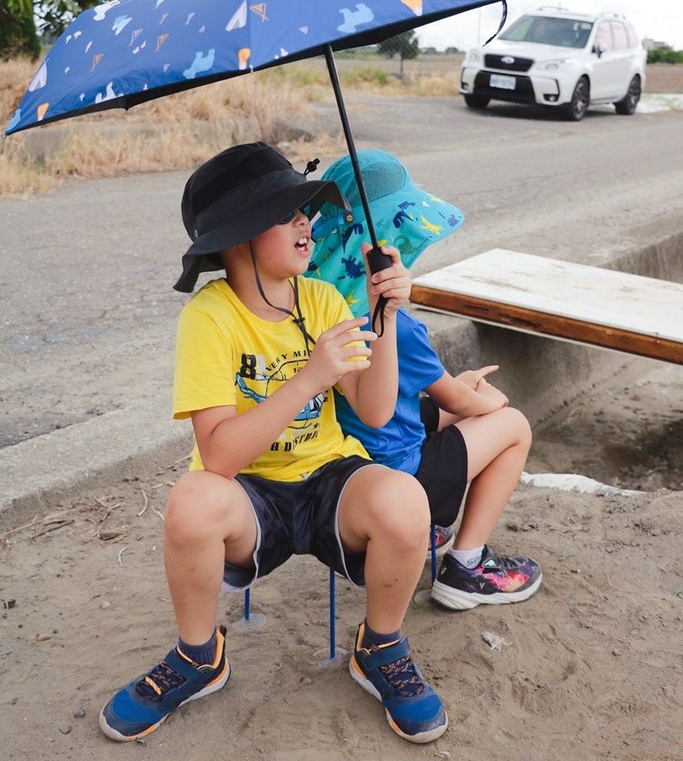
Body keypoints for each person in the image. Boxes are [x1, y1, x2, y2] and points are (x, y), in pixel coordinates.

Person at [99, 141, 448, 745]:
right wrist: (309, 377)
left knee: (405, 501)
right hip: (250, 494)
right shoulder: (210, 317)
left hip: (329, 476)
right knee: (191, 500)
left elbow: (374, 406)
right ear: (238, 239)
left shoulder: (323, 299)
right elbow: (220, 457)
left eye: (303, 209)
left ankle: (381, 644)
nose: (304, 222)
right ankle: (199, 655)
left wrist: (383, 316)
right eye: (285, 213)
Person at [308, 149, 542, 612]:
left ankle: (440, 537)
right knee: (514, 426)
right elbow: (460, 399)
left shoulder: (318, 306)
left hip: (345, 465)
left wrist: (463, 395)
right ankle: (467, 567)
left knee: (444, 411)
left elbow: (431, 400)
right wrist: (487, 399)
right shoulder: (397, 329)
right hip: (402, 477)